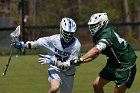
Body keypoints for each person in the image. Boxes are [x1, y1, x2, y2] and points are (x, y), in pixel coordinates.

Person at [73, 13, 137, 93]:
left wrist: (81, 58)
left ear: (102, 23)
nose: (91, 28)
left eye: (94, 25)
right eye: (91, 26)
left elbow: (96, 50)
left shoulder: (107, 34)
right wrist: (80, 60)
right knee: (96, 84)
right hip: (114, 62)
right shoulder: (98, 35)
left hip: (126, 64)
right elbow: (94, 55)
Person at [15, 17, 81, 93]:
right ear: (61, 30)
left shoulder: (76, 45)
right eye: (66, 33)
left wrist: (54, 61)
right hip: (55, 69)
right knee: (54, 88)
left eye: (71, 33)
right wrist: (21, 45)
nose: (68, 36)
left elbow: (67, 65)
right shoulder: (53, 40)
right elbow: (36, 44)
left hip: (69, 74)